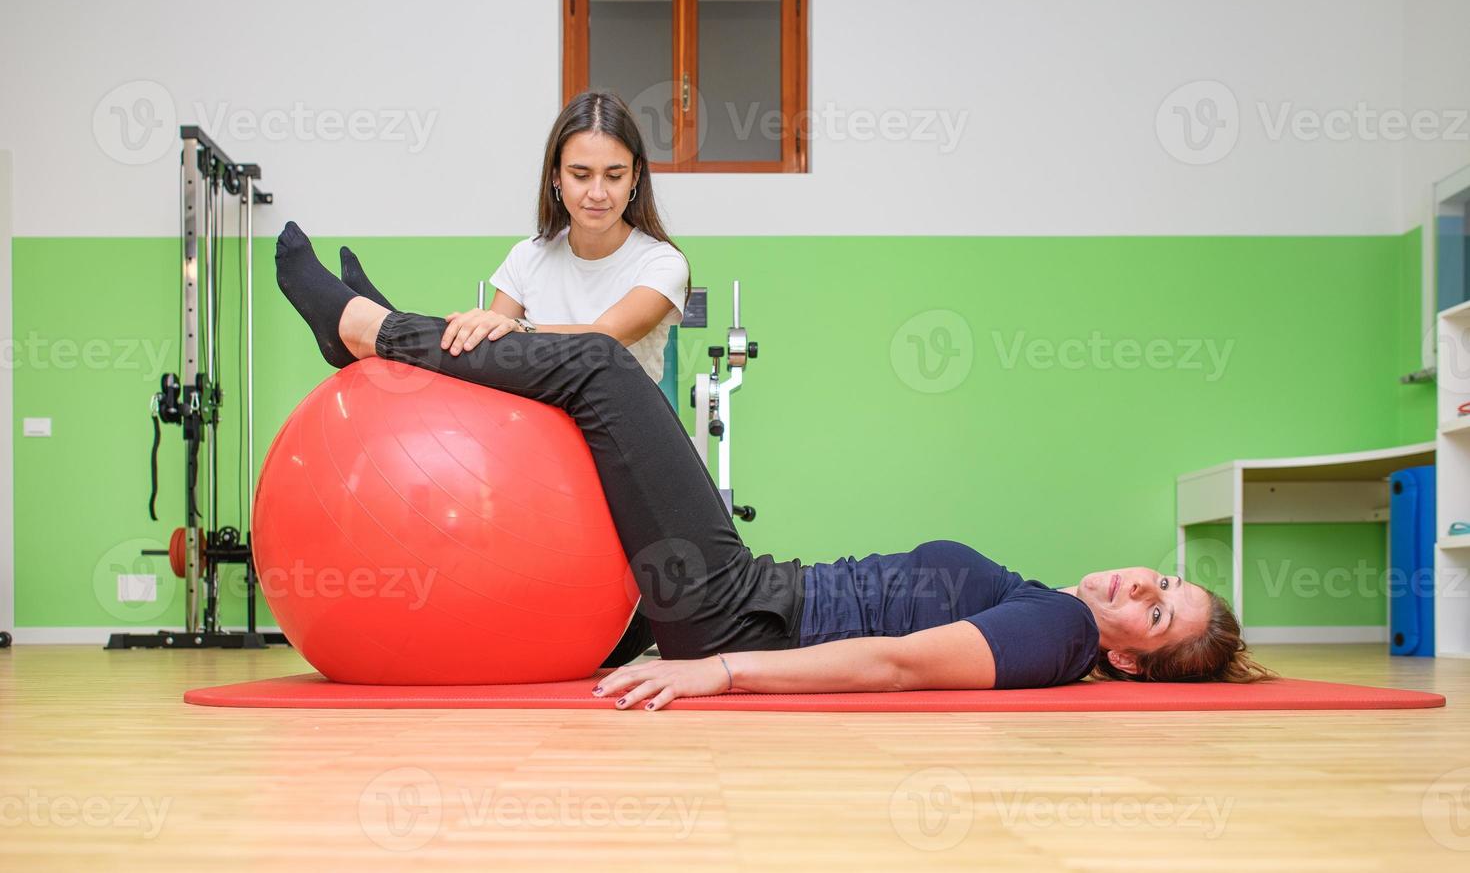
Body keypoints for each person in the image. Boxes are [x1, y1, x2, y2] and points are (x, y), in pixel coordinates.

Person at [275, 222, 1275, 710]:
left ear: (1132, 657)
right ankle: (380, 334)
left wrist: (718, 667)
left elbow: (896, 664)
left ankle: (361, 328)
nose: (1146, 583)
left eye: (1155, 612)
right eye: (1169, 580)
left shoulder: (1057, 632)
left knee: (595, 367)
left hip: (736, 610)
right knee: (592, 399)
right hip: (743, 592)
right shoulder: (1044, 604)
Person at [339, 90, 690, 385]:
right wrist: (492, 328)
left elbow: (604, 338)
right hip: (535, 434)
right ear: (556, 176)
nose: (597, 193)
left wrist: (518, 327)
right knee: (475, 347)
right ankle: (382, 326)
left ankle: (379, 326)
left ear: (635, 176)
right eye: (581, 175)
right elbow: (487, 358)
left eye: (613, 176)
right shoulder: (528, 257)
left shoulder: (661, 264)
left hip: (622, 434)